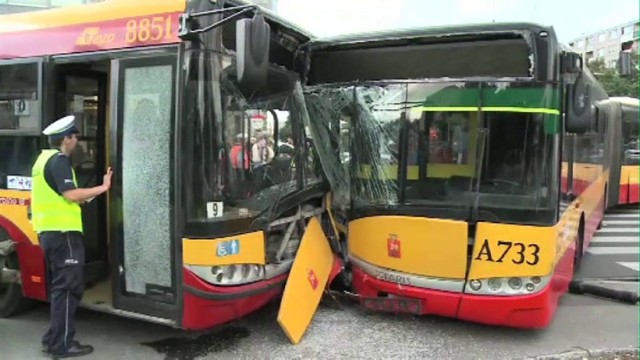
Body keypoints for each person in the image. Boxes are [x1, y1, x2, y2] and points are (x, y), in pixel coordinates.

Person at [31, 115, 112, 359]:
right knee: (67, 289)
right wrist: (103, 188)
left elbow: (63, 195)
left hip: (51, 232)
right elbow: (71, 194)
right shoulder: (59, 161)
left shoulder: (42, 159)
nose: (76, 140)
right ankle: (62, 345)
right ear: (65, 139)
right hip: (63, 234)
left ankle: (52, 339)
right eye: (74, 136)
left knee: (61, 288)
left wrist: (87, 195)